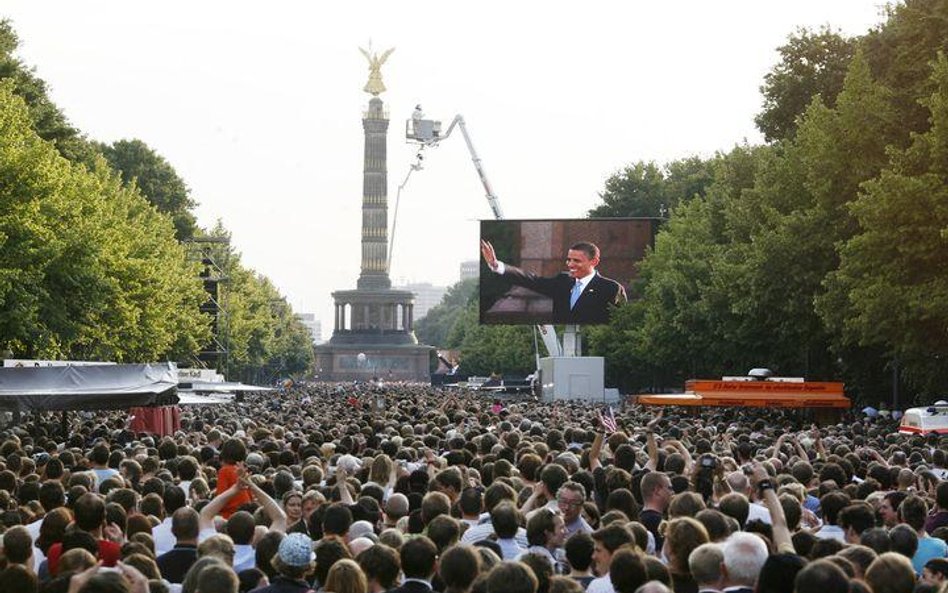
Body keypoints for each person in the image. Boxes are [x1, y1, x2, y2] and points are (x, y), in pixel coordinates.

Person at [481, 239, 626, 324]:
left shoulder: (611, 289)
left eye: (577, 261)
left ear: (594, 261)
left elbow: (623, 322)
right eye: (569, 260)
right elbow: (531, 280)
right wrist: (496, 265)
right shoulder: (562, 281)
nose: (570, 264)